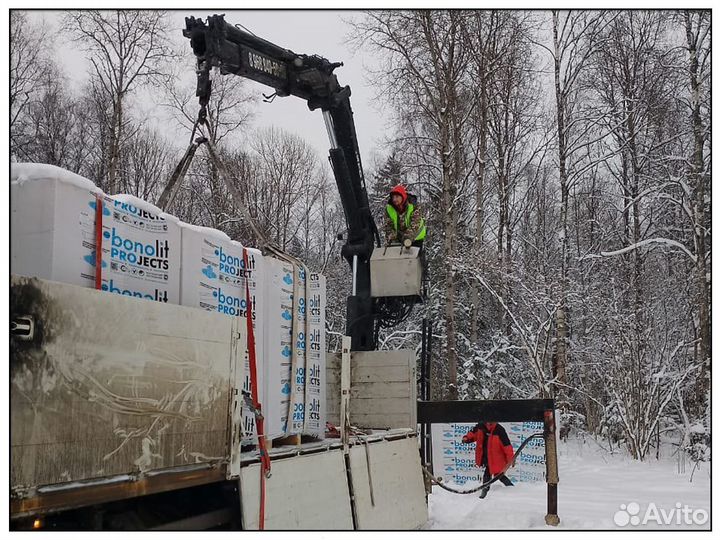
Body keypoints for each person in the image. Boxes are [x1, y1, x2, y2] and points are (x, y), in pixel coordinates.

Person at [462, 421, 515, 499]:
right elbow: (473, 434)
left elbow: (507, 446)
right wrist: (467, 438)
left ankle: (488, 490)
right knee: (493, 474)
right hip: (486, 457)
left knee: (497, 474)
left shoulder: (499, 430)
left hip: (496, 459)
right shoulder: (480, 427)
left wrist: (511, 459)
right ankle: (509, 488)